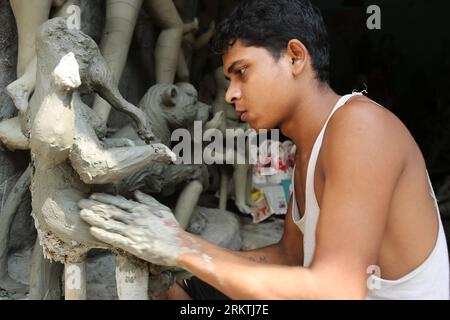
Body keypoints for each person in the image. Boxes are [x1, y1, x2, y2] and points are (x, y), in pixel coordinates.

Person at [78, 0, 449, 300]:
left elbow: (337, 290)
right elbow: (290, 257)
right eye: (228, 78)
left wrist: (181, 246)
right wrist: (180, 259)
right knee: (177, 290)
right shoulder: (309, 148)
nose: (230, 94)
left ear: (295, 57)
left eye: (242, 71)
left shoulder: (361, 128)